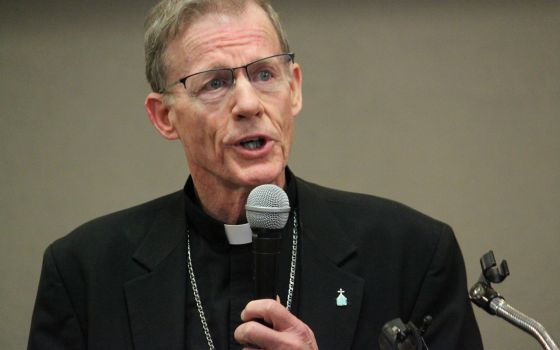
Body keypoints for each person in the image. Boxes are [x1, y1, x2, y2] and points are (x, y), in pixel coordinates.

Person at [28, 0, 483, 349]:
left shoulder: (413, 255)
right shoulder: (83, 273)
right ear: (164, 117)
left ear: (295, 88)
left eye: (265, 74)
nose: (249, 104)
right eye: (215, 82)